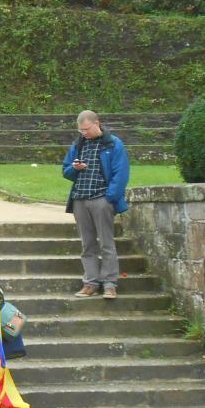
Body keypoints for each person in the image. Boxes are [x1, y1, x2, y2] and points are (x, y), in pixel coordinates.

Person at [62, 110, 131, 299]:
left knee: (106, 242)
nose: (83, 133)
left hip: (101, 199)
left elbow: (121, 174)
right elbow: (65, 171)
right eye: (81, 130)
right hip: (80, 200)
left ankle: (109, 284)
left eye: (86, 129)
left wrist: (109, 198)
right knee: (87, 244)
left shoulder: (113, 144)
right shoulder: (78, 145)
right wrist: (74, 168)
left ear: (97, 123)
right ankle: (90, 283)